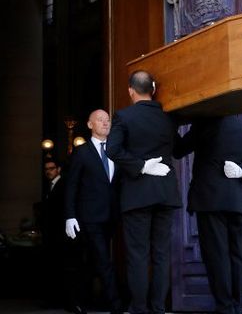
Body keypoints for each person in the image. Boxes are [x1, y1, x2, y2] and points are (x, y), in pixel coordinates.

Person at [106, 70, 182, 314]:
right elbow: (178, 149)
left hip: (137, 194)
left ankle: (139, 309)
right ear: (153, 89)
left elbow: (112, 150)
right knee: (161, 254)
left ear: (130, 90)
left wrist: (140, 166)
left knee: (138, 255)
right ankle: (158, 308)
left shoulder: (124, 116)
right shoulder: (168, 116)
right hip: (165, 192)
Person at [173, 116, 242, 314]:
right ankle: (236, 305)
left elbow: (179, 150)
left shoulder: (204, 122)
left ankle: (225, 306)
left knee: (217, 255)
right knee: (236, 255)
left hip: (210, 200)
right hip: (235, 201)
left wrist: (171, 124)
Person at [64, 109, 122, 314]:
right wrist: (70, 215)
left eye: (108, 120)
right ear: (90, 125)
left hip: (112, 217)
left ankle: (77, 301)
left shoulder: (116, 149)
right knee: (103, 260)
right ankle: (116, 306)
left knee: (92, 261)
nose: (106, 123)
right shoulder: (81, 152)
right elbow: (72, 186)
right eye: (100, 120)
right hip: (90, 218)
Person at [41, 158, 86, 314]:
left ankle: (69, 302)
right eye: (46, 169)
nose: (48, 171)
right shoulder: (50, 186)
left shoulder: (63, 185)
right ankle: (58, 301)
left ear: (58, 169)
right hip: (54, 236)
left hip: (62, 236)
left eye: (52, 168)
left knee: (67, 269)